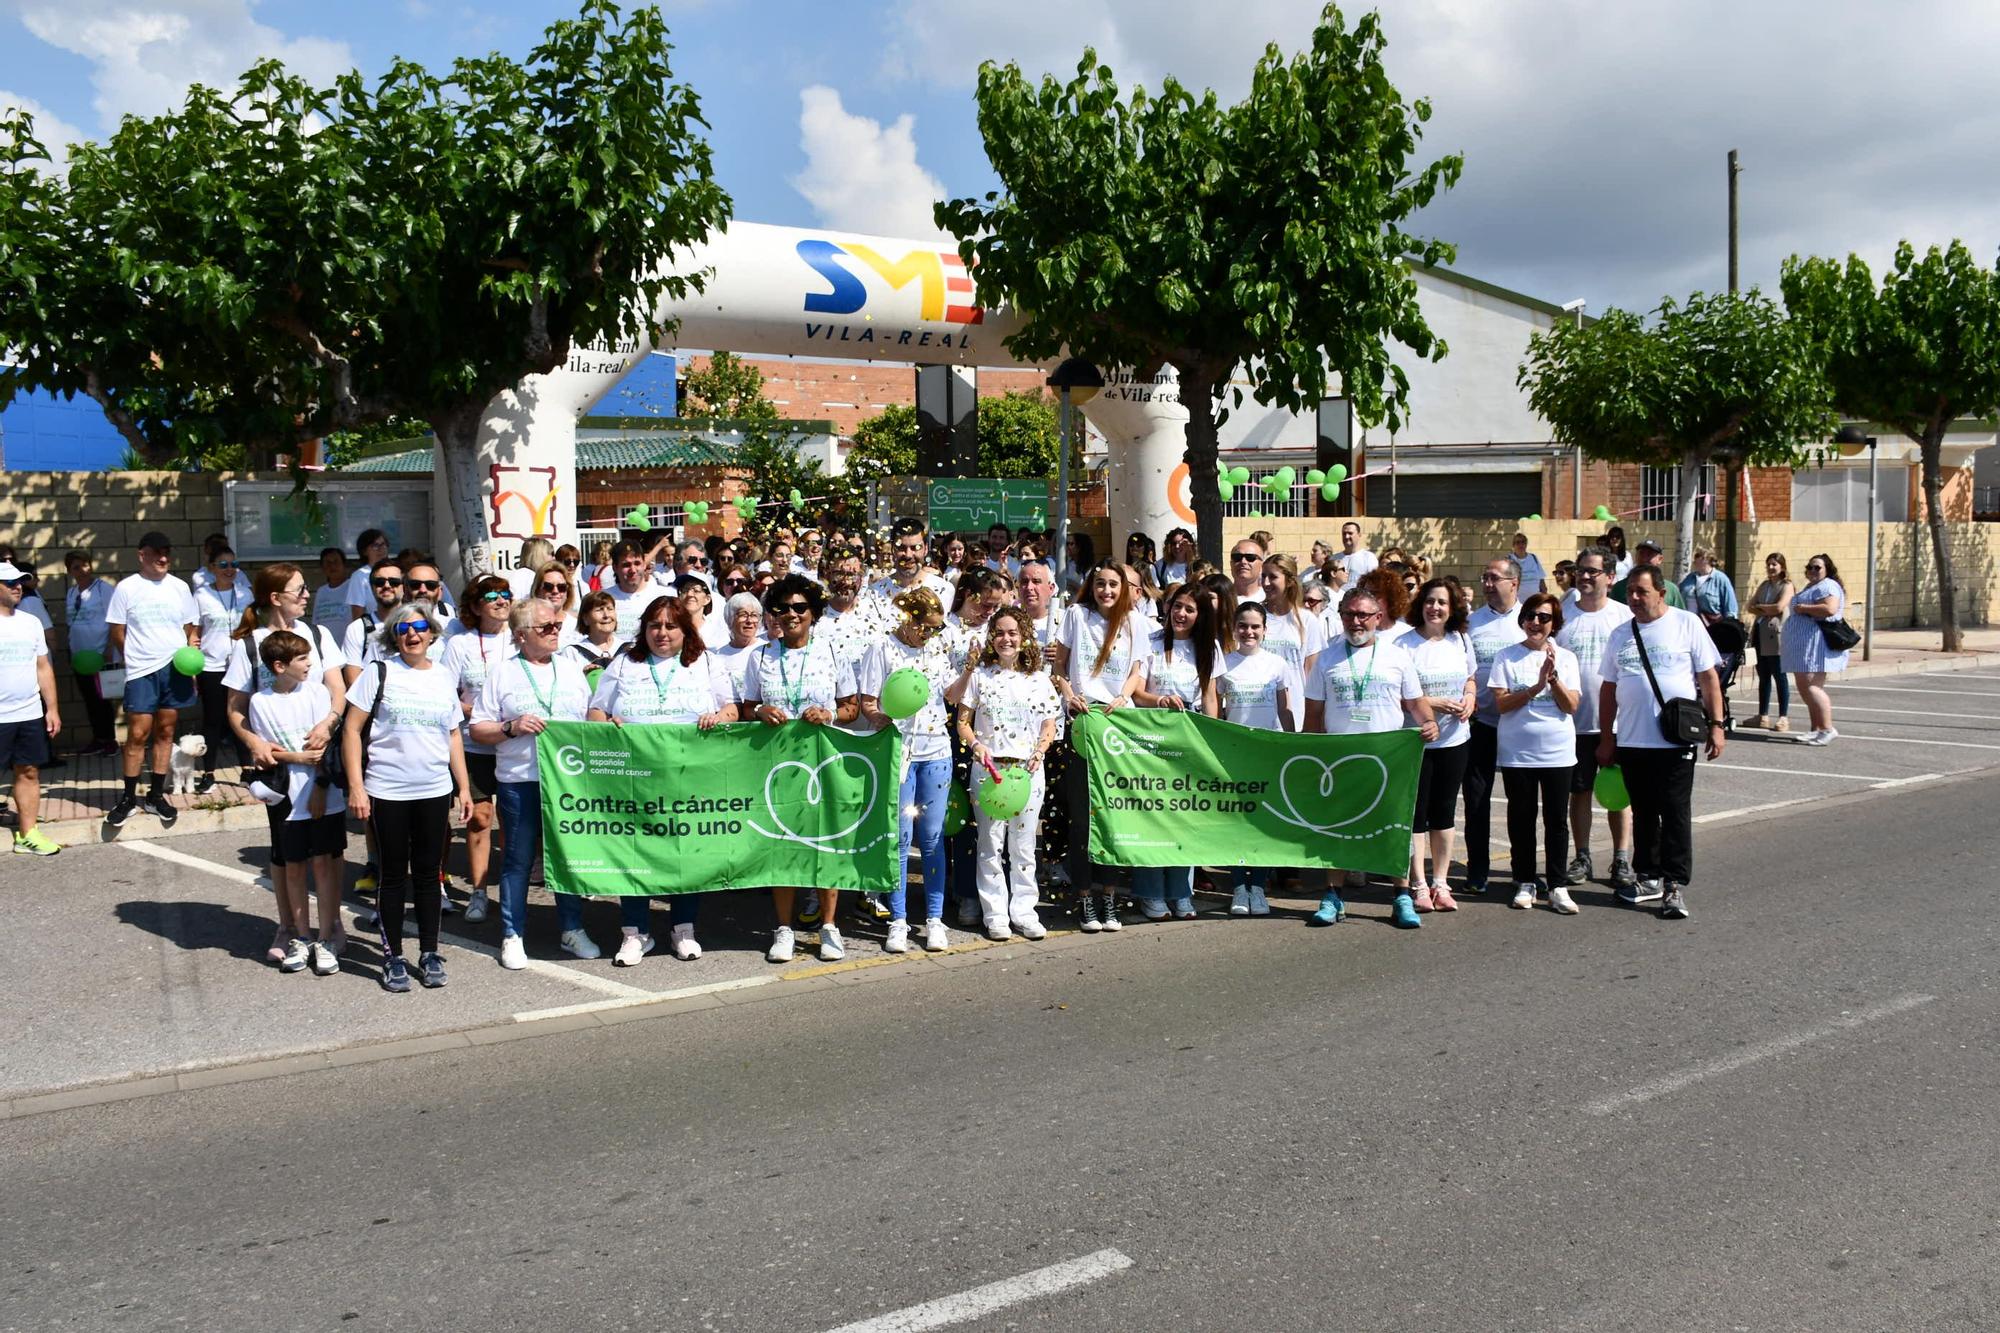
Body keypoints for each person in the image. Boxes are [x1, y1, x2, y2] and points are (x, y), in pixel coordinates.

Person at [585, 596, 734, 962]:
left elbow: (731, 709)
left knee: (685, 852)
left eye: (670, 626)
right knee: (635, 853)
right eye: (654, 625)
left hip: (689, 777)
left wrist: (718, 719)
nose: (662, 633)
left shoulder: (705, 662)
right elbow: (595, 711)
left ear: (685, 630)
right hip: (634, 779)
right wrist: (609, 725)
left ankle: (683, 928)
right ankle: (635, 932)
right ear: (643, 630)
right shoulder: (625, 662)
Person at [343, 603, 473, 990]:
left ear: (432, 633)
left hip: (435, 791)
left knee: (430, 876)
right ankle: (392, 956)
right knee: (393, 875)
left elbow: (452, 735)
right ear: (393, 636)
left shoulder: (444, 676)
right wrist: (356, 786)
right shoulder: (378, 673)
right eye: (402, 629)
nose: (411, 634)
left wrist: (463, 787)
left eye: (419, 626)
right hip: (387, 791)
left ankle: (430, 952)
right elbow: (352, 731)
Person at [472, 598, 604, 969]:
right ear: (521, 635)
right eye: (546, 627)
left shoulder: (571, 668)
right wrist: (510, 727)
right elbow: (478, 729)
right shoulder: (502, 673)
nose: (554, 632)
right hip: (520, 780)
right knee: (517, 858)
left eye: (557, 626)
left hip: (568, 781)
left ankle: (571, 929)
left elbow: (590, 718)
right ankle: (512, 935)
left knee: (567, 856)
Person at [1304, 587, 1437, 928]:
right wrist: (1310, 754)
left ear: (1378, 618)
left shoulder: (1397, 657)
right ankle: (1333, 896)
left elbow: (1415, 702)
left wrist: (1430, 722)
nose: (1356, 621)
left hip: (1389, 761)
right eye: (1349, 614)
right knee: (1337, 831)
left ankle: (1401, 896)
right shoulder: (1326, 658)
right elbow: (1314, 713)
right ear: (1341, 617)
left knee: (1393, 829)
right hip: (1340, 760)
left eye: (1364, 614)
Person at [1596, 566, 1724, 919]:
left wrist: (1717, 725)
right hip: (1633, 741)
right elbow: (1609, 688)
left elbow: (1708, 677)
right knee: (1644, 811)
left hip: (1674, 741)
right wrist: (1607, 738)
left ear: (1661, 593)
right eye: (1631, 592)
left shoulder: (1686, 624)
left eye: (1642, 591)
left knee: (1675, 811)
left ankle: (1674, 884)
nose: (1635, 598)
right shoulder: (1620, 634)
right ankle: (1648, 876)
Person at [743, 576, 860, 961]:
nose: (790, 615)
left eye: (799, 608)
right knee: (783, 848)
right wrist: (760, 711)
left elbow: (852, 708)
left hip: (822, 762)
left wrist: (828, 714)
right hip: (776, 766)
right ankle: (784, 929)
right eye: (781, 608)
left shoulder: (831, 651)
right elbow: (746, 707)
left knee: (826, 845)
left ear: (813, 613)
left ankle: (829, 927)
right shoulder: (760, 656)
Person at [857, 589, 960, 951]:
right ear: (909, 618)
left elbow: (952, 694)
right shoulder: (881, 647)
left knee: (931, 839)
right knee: (899, 838)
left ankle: (934, 918)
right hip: (899, 755)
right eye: (925, 627)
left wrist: (972, 668)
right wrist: (881, 720)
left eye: (935, 629)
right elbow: (867, 701)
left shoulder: (937, 648)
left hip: (937, 752)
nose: (930, 634)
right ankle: (897, 920)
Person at [956, 607, 1063, 940]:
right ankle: (995, 914)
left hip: (1027, 772)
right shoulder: (980, 676)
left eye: (1013, 633)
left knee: (1023, 845)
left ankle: (1024, 911)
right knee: (990, 844)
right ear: (992, 637)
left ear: (1024, 636)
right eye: (1000, 632)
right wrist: (976, 746)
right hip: (989, 772)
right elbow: (962, 721)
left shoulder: (1039, 678)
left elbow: (1049, 724)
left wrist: (1039, 750)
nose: (1006, 639)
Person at [1050, 560, 1145, 932]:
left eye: (1113, 585)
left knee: (1112, 816)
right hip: (1083, 726)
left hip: (1117, 727)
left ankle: (1109, 896)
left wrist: (1123, 697)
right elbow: (1059, 667)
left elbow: (1136, 670)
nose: (1107, 590)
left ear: (1124, 590)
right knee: (1082, 820)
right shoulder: (1075, 614)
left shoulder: (1134, 622)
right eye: (1100, 583)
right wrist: (1070, 695)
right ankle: (1086, 898)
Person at [246, 630, 346, 975]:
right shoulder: (261, 702)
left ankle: (327, 937)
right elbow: (267, 749)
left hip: (323, 796)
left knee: (324, 865)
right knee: (294, 868)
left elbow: (328, 747)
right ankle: (301, 938)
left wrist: (319, 785)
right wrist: (297, 758)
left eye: (308, 656)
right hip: (287, 797)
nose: (309, 663)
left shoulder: (318, 693)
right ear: (279, 666)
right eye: (302, 659)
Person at [1124, 584, 1218, 920]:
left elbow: (1210, 699)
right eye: (1177, 606)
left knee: (1183, 817)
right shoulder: (1149, 642)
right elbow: (1135, 690)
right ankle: (1150, 893)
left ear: (1200, 616)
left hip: (1189, 743)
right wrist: (1159, 700)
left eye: (1189, 610)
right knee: (1152, 817)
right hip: (1151, 742)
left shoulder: (1208, 649)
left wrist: (1211, 742)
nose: (1181, 614)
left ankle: (1181, 892)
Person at [1489, 593, 1581, 912]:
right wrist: (1534, 687)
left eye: (1544, 617)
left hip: (1557, 751)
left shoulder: (1566, 658)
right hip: (1518, 752)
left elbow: (1571, 706)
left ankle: (1557, 885)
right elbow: (1500, 704)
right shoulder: (1506, 657)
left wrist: (1553, 681)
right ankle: (1525, 880)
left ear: (1554, 624)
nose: (1535, 622)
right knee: (1522, 818)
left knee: (1556, 820)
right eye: (1530, 615)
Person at [103, 532, 201, 829]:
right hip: (142, 671)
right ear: (141, 554)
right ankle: (129, 798)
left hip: (175, 669)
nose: (163, 558)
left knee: (166, 730)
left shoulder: (180, 587)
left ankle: (156, 795)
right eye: (156, 552)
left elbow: (190, 628)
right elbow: (117, 631)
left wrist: (192, 649)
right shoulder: (127, 588)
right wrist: (135, 657)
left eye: (167, 552)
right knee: (137, 733)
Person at [1555, 547, 1636, 893]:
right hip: (1573, 724)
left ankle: (1621, 857)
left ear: (1611, 577)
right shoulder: (1560, 615)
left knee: (1620, 795)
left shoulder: (1623, 616)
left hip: (1618, 725)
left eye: (1592, 571)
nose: (1584, 577)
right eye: (1580, 571)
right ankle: (1583, 855)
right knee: (1580, 792)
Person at [438, 575, 513, 921]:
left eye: (505, 594)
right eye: (492, 596)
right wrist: (479, 713)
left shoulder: (520, 637)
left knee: (513, 820)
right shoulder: (459, 644)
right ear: (474, 606)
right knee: (480, 817)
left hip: (515, 743)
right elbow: (445, 695)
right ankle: (479, 892)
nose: (501, 600)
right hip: (474, 743)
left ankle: (515, 890)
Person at [1217, 602, 1296, 914]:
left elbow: (1285, 709)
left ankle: (1259, 887)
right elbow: (1217, 707)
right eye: (1243, 626)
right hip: (1234, 755)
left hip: (1267, 753)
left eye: (1255, 626)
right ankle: (1239, 888)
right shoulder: (1224, 663)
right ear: (1235, 628)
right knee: (1236, 822)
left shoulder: (1276, 664)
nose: (1249, 632)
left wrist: (1292, 743)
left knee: (1265, 823)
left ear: (1265, 630)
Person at [1402, 578, 1476, 911]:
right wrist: (1434, 703)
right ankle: (1418, 884)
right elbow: (1399, 696)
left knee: (1444, 813)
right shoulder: (1404, 645)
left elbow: (1470, 680)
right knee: (1417, 816)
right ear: (1421, 605)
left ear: (1452, 608)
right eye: (1430, 601)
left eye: (1442, 603)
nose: (1435, 608)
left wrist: (1470, 699)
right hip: (1416, 742)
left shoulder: (1460, 640)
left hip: (1454, 741)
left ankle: (1441, 883)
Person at [1460, 557, 1526, 894]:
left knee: (1521, 800)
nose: (1487, 583)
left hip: (1519, 724)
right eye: (1484, 577)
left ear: (1513, 583)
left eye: (1494, 578)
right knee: (1477, 799)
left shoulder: (1528, 620)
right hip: (1481, 723)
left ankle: (1522, 869)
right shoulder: (1472, 623)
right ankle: (1477, 868)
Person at [0, 560, 61, 855]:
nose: (17, 587)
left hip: (28, 714)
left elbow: (43, 667)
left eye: (20, 582)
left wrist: (52, 709)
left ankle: (28, 835)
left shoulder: (31, 622)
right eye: (10, 583)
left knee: (29, 772)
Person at [191, 545, 253, 791]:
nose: (230, 570)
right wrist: (194, 668)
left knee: (242, 717)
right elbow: (194, 633)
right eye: (224, 565)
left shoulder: (246, 593)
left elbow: (253, 628)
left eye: (234, 565)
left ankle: (248, 770)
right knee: (213, 720)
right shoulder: (201, 595)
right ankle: (208, 773)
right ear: (212, 569)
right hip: (212, 665)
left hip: (240, 664)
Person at [1783, 553, 1849, 746]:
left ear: (1827, 569)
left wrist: (1803, 608)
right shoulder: (1812, 586)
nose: (1812, 570)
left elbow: (1830, 609)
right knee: (1805, 688)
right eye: (1810, 567)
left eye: (1817, 567)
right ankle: (1816, 728)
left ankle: (1828, 729)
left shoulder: (1828, 585)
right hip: (1802, 646)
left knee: (1813, 687)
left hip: (1816, 646)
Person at [1258, 554, 1326, 729]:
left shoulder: (1307, 620)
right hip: (1257, 707)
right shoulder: (1255, 617)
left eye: (1272, 577)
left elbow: (1312, 674)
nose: (1266, 583)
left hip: (1295, 708)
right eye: (1263, 576)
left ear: (1289, 581)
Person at [63, 550, 120, 756]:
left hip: (100, 654)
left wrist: (109, 648)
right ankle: (98, 738)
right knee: (89, 700)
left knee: (102, 700)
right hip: (80, 656)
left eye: (85, 565)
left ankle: (110, 741)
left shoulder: (103, 589)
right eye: (77, 567)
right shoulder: (71, 593)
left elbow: (115, 619)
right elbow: (71, 623)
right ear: (70, 571)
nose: (82, 570)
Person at [1747, 553, 1794, 731]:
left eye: (1774, 564)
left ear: (1782, 566)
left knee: (1779, 676)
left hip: (1776, 635)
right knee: (1763, 676)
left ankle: (1783, 717)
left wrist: (1761, 608)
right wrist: (1765, 609)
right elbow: (1749, 606)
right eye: (1768, 564)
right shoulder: (1765, 585)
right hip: (1760, 633)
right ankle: (1762, 715)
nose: (1771, 567)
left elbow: (1780, 607)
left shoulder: (1787, 585)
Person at [341, 559, 405, 676]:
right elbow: (353, 681)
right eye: (380, 582)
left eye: (394, 582)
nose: (387, 586)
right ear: (372, 587)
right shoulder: (357, 628)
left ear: (404, 587)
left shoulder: (419, 626)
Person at [603, 540, 664, 640]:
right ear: (615, 567)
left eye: (637, 563)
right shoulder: (603, 599)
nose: (633, 570)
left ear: (644, 564)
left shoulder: (663, 595)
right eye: (626, 565)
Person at [563, 590, 627, 674]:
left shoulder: (629, 650)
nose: (606, 615)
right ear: (585, 619)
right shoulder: (572, 653)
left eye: (610, 609)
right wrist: (581, 676)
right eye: (599, 610)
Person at [1610, 538, 1686, 608]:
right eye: (1641, 553)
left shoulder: (1671, 590)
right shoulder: (1619, 588)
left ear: (1660, 559)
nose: (1644, 558)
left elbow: (1680, 617)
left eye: (1649, 554)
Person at [342, 529, 393, 623]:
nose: (380, 549)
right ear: (364, 551)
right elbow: (358, 614)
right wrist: (370, 631)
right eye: (375, 546)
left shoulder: (395, 571)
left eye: (383, 545)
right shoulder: (359, 576)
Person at [1679, 547, 1740, 625]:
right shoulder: (1690, 578)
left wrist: (1730, 626)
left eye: (1698, 557)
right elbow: (1679, 596)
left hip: (1713, 626)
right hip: (1690, 624)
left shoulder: (1721, 579)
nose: (1695, 560)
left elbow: (1730, 608)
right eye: (1695, 557)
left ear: (1707, 560)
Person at [310, 548, 353, 639]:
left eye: (336, 562)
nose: (332, 566)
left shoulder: (353, 586)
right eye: (328, 563)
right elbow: (315, 622)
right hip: (326, 647)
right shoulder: (321, 592)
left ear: (344, 564)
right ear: (322, 567)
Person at [1228, 539, 1266, 605]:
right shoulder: (1221, 598)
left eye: (1250, 557)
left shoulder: (1271, 599)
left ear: (1262, 565)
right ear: (1231, 564)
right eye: (1237, 557)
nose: (1243, 562)